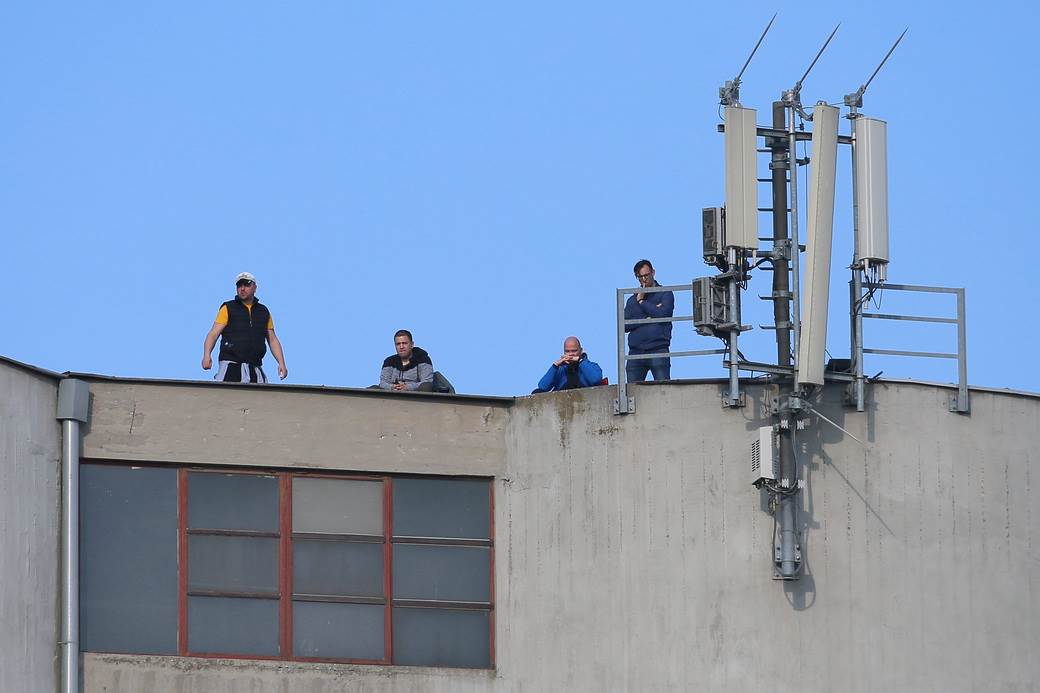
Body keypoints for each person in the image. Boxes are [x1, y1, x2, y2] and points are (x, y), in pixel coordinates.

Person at [202, 272, 288, 383]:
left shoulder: (263, 311)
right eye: (239, 285)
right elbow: (213, 334)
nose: (242, 288)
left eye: (246, 285)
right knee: (226, 396)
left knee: (260, 398)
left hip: (255, 366)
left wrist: (281, 363)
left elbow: (272, 339)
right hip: (231, 365)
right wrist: (207, 355)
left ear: (255, 287)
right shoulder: (228, 308)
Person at [624, 259, 674, 382]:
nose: (644, 279)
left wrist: (642, 302)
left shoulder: (665, 293)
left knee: (664, 390)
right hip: (635, 352)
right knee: (631, 394)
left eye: (646, 275)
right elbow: (624, 325)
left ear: (653, 272)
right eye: (640, 277)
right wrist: (649, 317)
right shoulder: (631, 300)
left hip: (658, 349)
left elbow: (663, 315)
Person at [533, 336, 603, 393]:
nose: (571, 354)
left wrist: (580, 361)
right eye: (567, 351)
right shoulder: (560, 370)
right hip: (562, 404)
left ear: (581, 351)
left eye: (574, 351)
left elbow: (596, 380)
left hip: (585, 402)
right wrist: (555, 366)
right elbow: (542, 387)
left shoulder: (591, 366)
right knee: (536, 392)